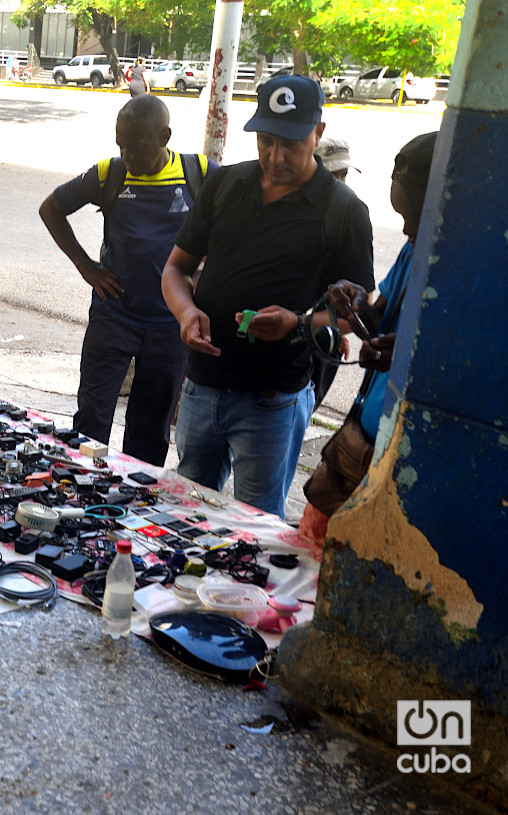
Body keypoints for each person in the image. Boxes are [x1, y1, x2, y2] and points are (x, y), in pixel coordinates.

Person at [160, 76, 375, 517]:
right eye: (266, 142)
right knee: (185, 514)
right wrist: (186, 312)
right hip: (202, 387)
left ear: (317, 133)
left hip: (272, 402)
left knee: (254, 529)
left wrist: (296, 323)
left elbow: (355, 317)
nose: (275, 157)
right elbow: (175, 268)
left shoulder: (343, 211)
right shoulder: (225, 186)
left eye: (290, 145)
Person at [39, 95, 215, 465]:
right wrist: (86, 266)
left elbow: (234, 223)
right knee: (90, 419)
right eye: (121, 145)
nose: (127, 155)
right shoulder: (111, 173)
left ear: (164, 136)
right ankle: (81, 489)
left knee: (150, 432)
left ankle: (134, 504)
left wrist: (204, 273)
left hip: (170, 325)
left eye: (136, 147)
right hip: (114, 317)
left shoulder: (199, 172)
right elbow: (51, 208)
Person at [301, 132, 437, 539]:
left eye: (414, 216)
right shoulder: (415, 248)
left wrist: (413, 356)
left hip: (408, 466)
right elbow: (381, 318)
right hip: (363, 445)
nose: (406, 229)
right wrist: (356, 301)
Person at [309, 136, 360, 409]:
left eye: (344, 175)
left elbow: (358, 313)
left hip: (321, 346)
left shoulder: (350, 220)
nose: (340, 183)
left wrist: (335, 329)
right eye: (333, 175)